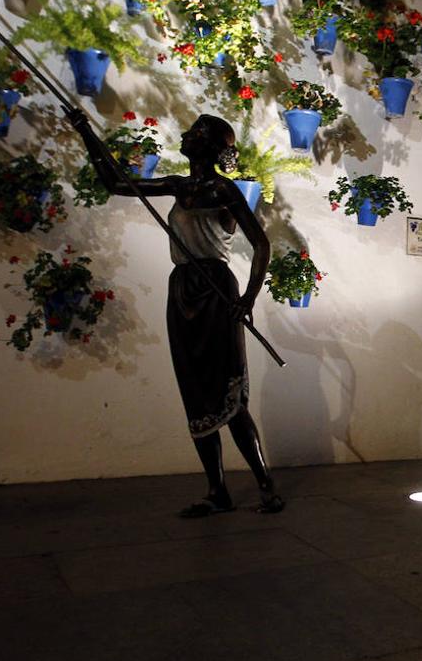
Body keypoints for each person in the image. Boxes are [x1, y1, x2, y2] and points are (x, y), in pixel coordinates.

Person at [65, 108, 285, 517]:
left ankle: (265, 484)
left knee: (229, 394)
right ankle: (217, 491)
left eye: (196, 131)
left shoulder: (225, 191)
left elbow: (261, 245)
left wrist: (249, 298)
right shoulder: (174, 185)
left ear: (212, 145)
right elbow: (115, 183)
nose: (186, 134)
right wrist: (86, 133)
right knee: (196, 392)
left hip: (216, 289)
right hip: (183, 289)